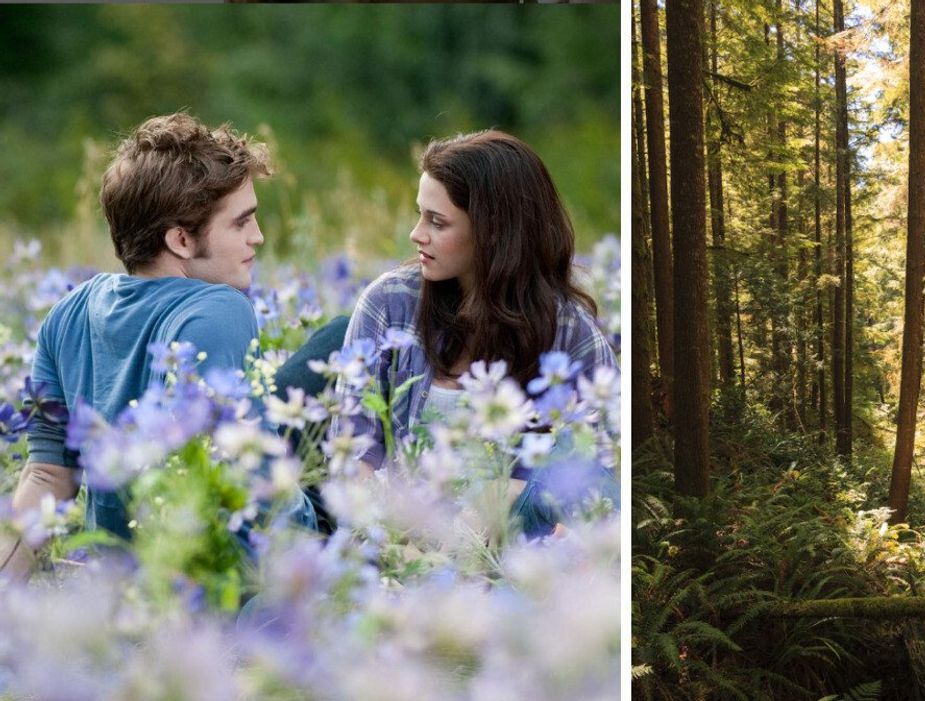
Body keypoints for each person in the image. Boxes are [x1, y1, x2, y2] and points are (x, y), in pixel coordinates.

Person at [0, 112, 309, 580]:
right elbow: (234, 491)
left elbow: (46, 475)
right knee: (334, 341)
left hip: (126, 581)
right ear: (181, 240)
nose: (258, 237)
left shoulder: (69, 311)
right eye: (241, 222)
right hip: (258, 571)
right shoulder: (219, 309)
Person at [334, 130, 617, 535]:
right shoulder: (388, 304)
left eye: (437, 221)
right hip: (394, 550)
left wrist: (509, 496)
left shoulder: (570, 332)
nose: (417, 233)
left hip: (522, 567)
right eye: (420, 214)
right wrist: (392, 541)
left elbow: (602, 481)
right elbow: (352, 451)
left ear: (493, 233)